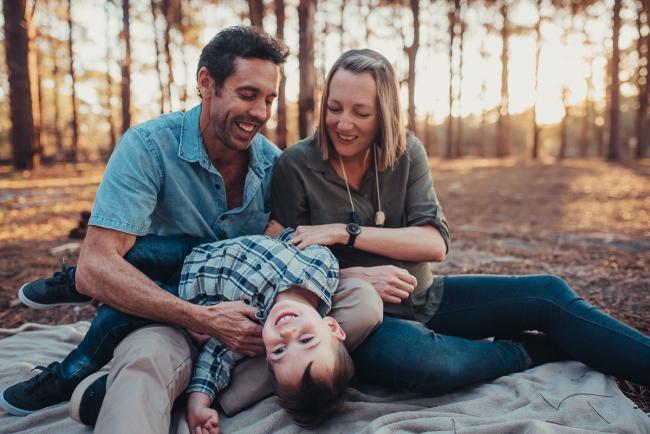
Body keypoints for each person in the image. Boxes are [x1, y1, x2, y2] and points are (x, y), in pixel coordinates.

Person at [2, 28, 383, 433]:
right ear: (207, 83)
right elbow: (95, 268)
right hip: (166, 309)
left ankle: (201, 392)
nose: (260, 112)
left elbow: (287, 251)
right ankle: (170, 387)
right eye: (248, 94)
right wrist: (202, 317)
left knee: (363, 301)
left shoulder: (275, 164)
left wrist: (353, 273)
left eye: (269, 99)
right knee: (146, 363)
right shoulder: (148, 147)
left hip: (254, 319)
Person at [270, 48, 650, 395]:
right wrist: (356, 278)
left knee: (547, 294)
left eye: (361, 113)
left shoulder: (406, 152)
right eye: (334, 108)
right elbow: (277, 265)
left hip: (426, 297)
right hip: (364, 323)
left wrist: (346, 233)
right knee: (432, 363)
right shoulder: (296, 164)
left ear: (384, 114)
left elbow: (433, 243)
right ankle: (525, 352)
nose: (343, 123)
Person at [2, 229, 359, 433]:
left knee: (112, 319)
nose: (286, 334)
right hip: (192, 253)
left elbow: (215, 364)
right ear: (332, 326)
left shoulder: (247, 331)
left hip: (178, 298)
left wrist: (198, 405)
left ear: (265, 354)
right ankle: (76, 280)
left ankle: (68, 374)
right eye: (307, 339)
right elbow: (295, 236)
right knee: (138, 250)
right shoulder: (322, 265)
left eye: (278, 351)